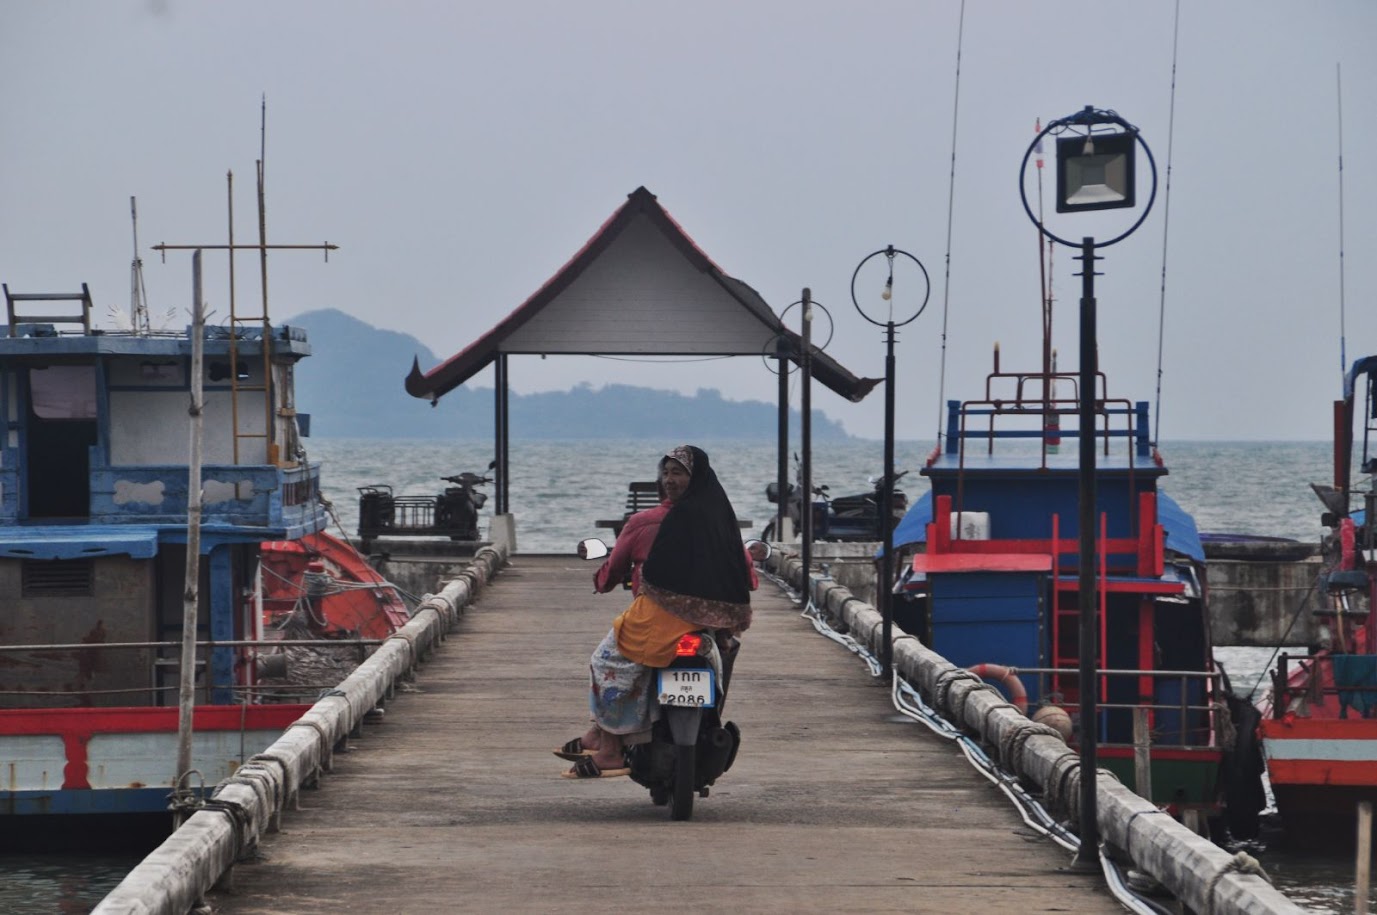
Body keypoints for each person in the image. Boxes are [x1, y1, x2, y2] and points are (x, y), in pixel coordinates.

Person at [557, 445, 753, 779]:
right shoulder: (720, 519)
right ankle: (603, 735)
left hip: (660, 619)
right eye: (667, 473)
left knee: (606, 662)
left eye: (678, 472)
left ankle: (609, 746)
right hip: (707, 627)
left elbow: (646, 574)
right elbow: (745, 574)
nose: (670, 480)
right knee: (726, 654)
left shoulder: (657, 521)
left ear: (696, 477)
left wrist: (614, 580)